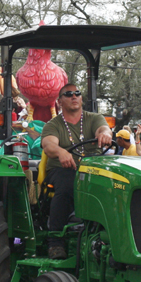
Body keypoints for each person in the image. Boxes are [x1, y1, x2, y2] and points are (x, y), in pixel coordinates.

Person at [40, 84, 112, 260]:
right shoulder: (53, 125)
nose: (74, 96)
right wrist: (61, 152)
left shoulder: (94, 118)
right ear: (60, 101)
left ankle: (110, 237)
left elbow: (103, 129)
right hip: (63, 169)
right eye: (68, 94)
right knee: (67, 185)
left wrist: (105, 134)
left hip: (93, 170)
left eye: (77, 93)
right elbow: (49, 145)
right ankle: (55, 241)